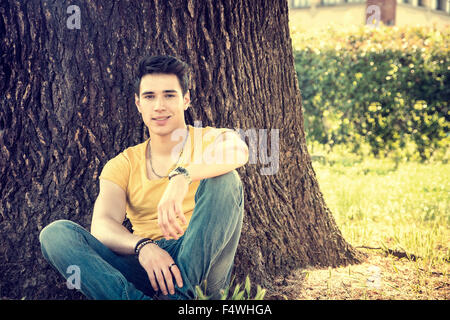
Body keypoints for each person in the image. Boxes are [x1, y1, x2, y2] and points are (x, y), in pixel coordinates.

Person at [39, 55, 249, 300]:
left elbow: (239, 150)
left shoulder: (210, 140)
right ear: (138, 103)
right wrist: (143, 246)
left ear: (186, 100)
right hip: (145, 264)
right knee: (55, 234)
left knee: (226, 179)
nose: (159, 105)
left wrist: (182, 177)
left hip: (201, 261)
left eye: (169, 95)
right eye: (150, 97)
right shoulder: (123, 164)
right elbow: (102, 226)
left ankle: (179, 297)